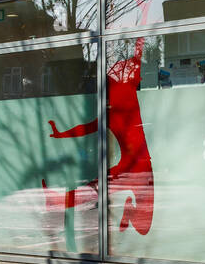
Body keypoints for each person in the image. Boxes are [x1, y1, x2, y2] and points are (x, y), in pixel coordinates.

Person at [47, 36, 154, 236]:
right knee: (92, 190)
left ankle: (128, 207)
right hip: (129, 168)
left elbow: (137, 58)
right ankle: (58, 199)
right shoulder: (113, 111)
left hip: (142, 168)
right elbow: (86, 127)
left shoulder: (127, 98)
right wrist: (61, 134)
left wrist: (142, 31)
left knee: (143, 228)